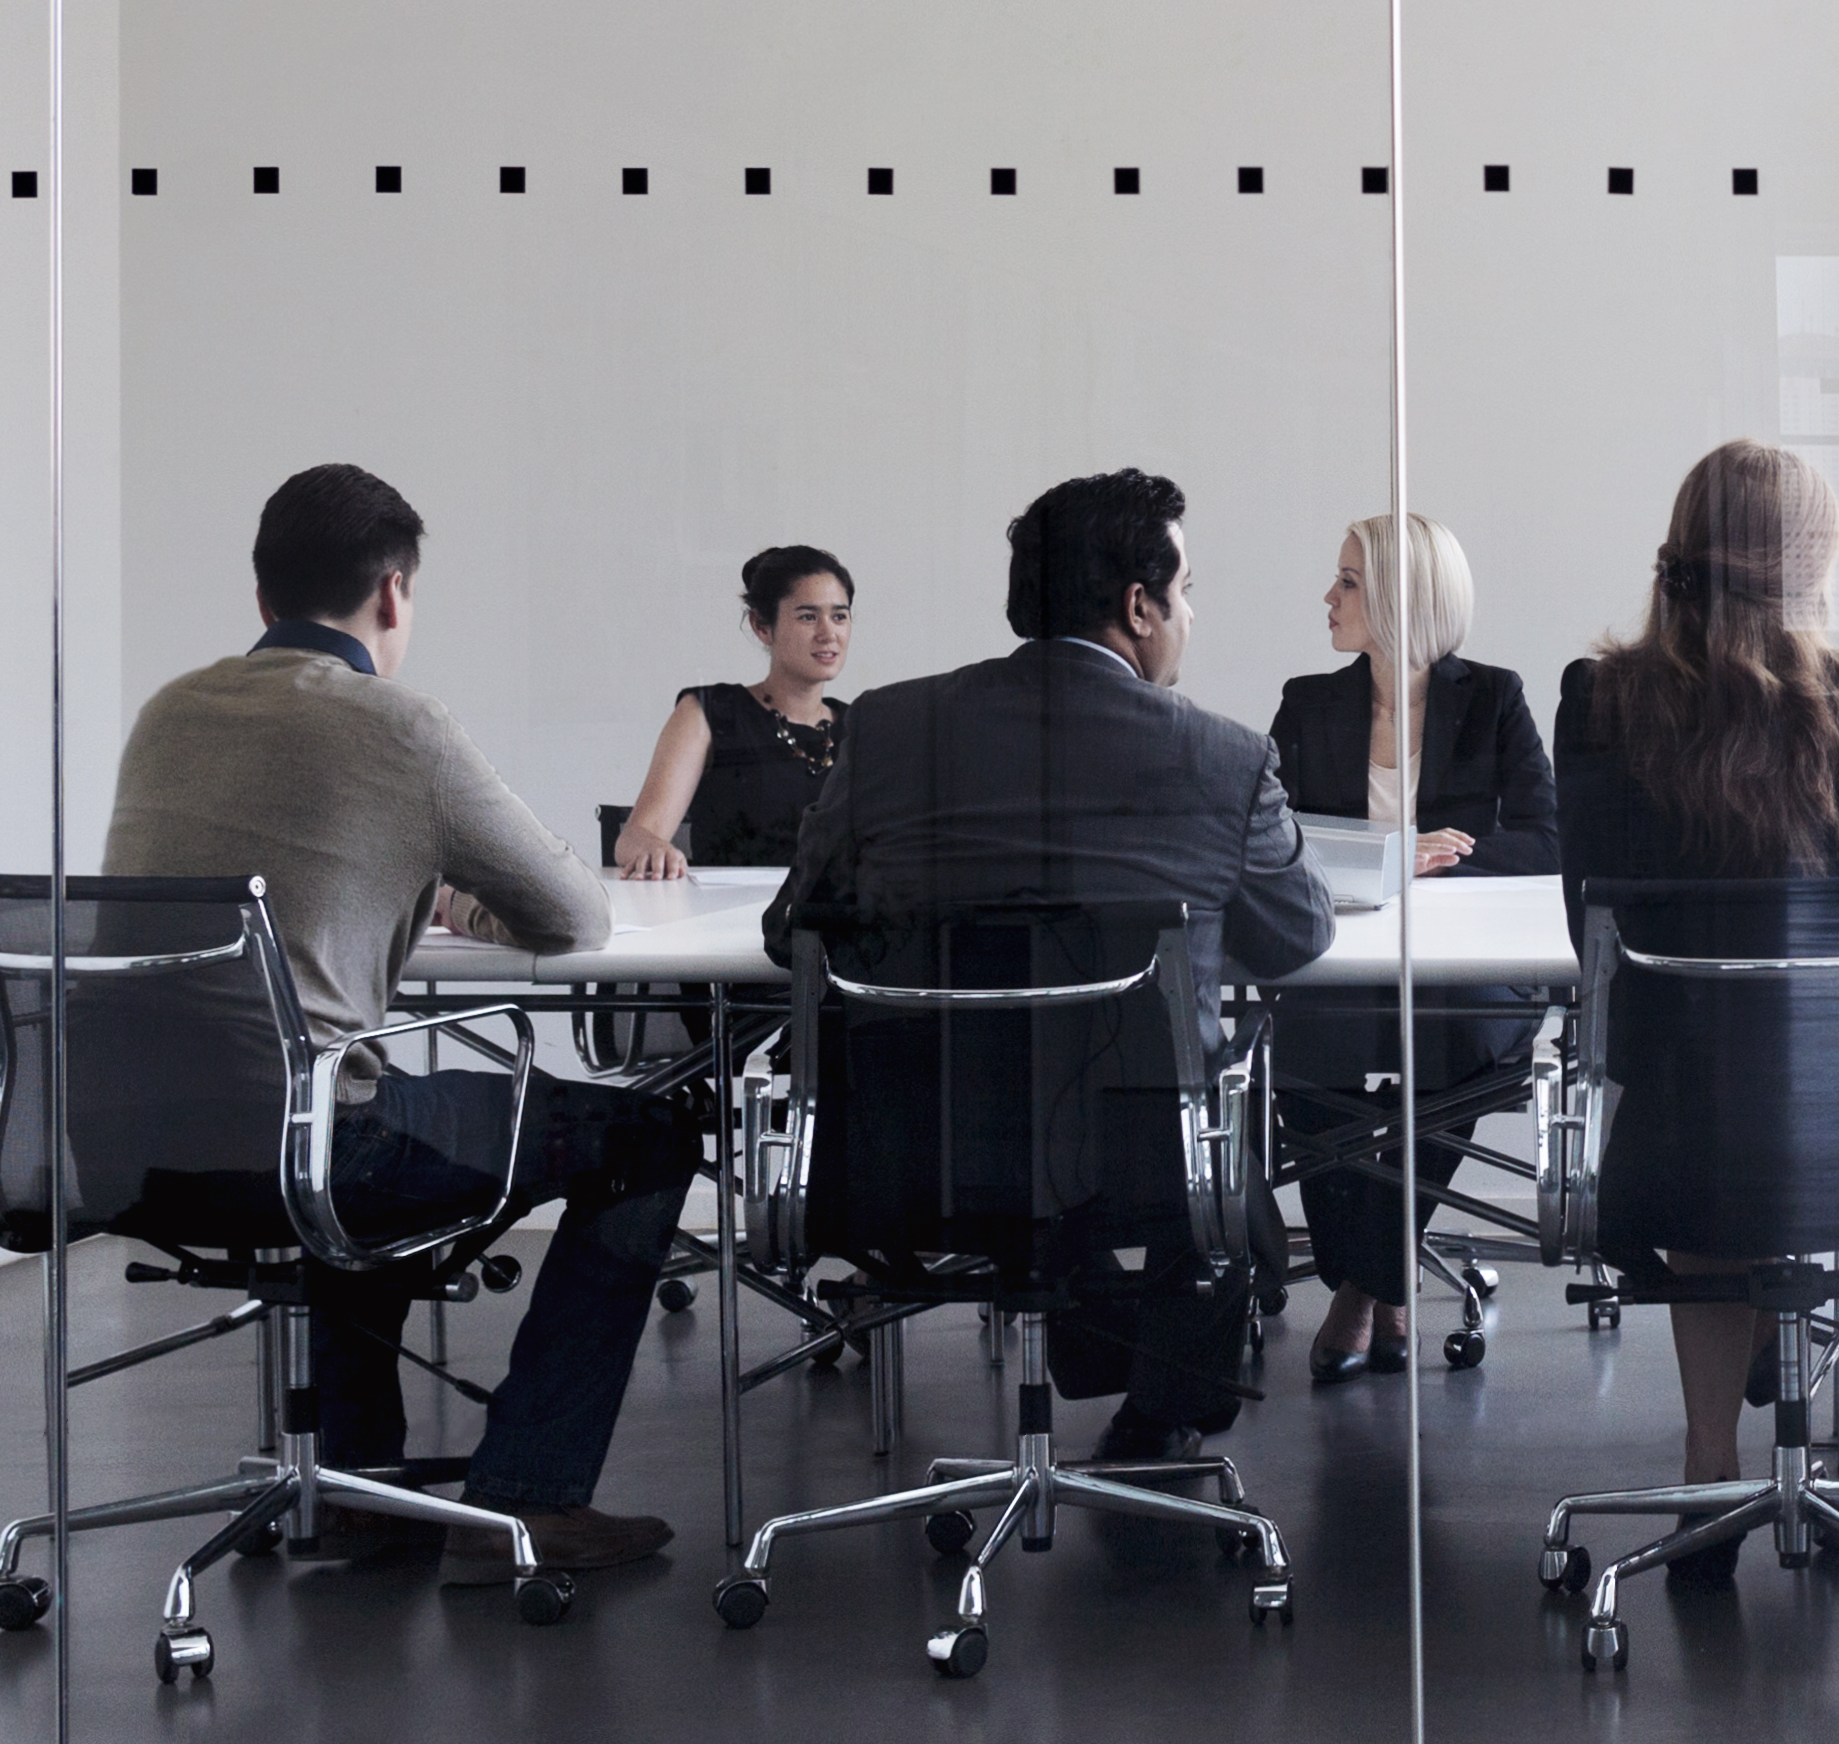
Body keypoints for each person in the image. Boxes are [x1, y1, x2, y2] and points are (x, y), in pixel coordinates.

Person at [97, 463, 703, 1579]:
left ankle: (363, 1481)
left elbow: (258, 875)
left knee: (350, 1107)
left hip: (134, 1134)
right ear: (391, 593)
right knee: (647, 1138)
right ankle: (531, 1496)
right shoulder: (397, 724)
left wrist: (414, 881)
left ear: (263, 592)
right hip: (321, 1140)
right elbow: (572, 915)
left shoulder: (169, 710)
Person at [765, 470, 1334, 1461]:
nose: (1189, 614)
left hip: (909, 1151)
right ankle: (1155, 1420)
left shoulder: (892, 728)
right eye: (1186, 590)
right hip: (1139, 1164)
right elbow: (1294, 937)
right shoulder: (1223, 757)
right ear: (1139, 607)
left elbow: (792, 928)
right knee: (1201, 1127)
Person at [1549, 441, 1839, 1525]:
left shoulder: (1600, 700)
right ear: (1811, 564)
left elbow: (1593, 920)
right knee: (1782, 1119)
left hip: (1673, 1120)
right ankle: (1784, 1365)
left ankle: (1709, 1447)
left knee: (1716, 1138)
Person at [1266, 512, 1557, 1383]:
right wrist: (1392, 856)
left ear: (1402, 598)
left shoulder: (1493, 698)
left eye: (1348, 581)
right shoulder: (1308, 703)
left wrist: (1443, 859)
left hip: (1462, 965)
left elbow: (1546, 839)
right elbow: (1269, 839)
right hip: (1342, 956)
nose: (1329, 596)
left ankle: (1362, 1288)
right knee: (1307, 1051)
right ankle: (1381, 1277)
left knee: (1451, 1040)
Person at [612, 545, 855, 877]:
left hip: (837, 923)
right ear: (761, 626)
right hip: (728, 917)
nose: (828, 634)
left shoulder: (862, 725)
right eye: (808, 617)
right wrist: (654, 849)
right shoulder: (710, 713)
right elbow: (636, 836)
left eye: (839, 616)